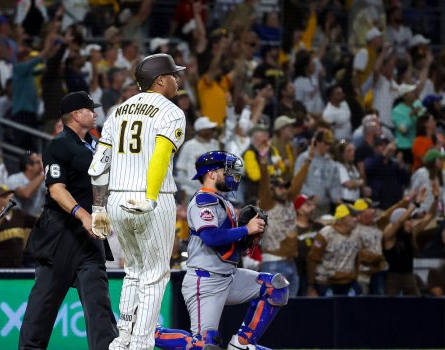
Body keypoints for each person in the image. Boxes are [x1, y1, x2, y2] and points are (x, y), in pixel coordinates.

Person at [88, 54, 186, 350]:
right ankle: (142, 342)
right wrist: (151, 198)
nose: (177, 80)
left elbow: (97, 166)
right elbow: (160, 155)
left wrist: (98, 208)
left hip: (115, 198)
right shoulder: (171, 111)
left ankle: (123, 338)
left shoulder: (117, 111)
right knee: (155, 275)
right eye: (173, 75)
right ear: (160, 80)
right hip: (151, 199)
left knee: (133, 270)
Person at [19, 91, 117, 350]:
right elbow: (56, 189)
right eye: (90, 109)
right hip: (60, 235)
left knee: (100, 309)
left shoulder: (94, 145)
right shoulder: (59, 144)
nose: (95, 113)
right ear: (76, 115)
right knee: (42, 310)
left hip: (90, 239)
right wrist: (84, 215)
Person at [154, 151, 282, 350]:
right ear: (212, 174)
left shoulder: (224, 202)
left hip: (228, 276)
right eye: (227, 170)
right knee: (203, 345)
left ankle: (241, 344)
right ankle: (147, 333)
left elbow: (227, 248)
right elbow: (211, 237)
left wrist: (246, 239)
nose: (232, 175)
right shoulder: (202, 201)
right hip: (205, 281)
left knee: (276, 286)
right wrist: (246, 229)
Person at [257, 140, 313, 297]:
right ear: (272, 189)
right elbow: (263, 184)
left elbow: (298, 183)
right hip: (273, 262)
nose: (284, 190)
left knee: (291, 308)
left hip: (290, 262)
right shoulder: (267, 203)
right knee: (272, 307)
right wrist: (263, 161)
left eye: (285, 187)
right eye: (280, 187)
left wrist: (308, 161)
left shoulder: (289, 201)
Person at [306, 204, 363, 296]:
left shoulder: (356, 235)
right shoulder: (326, 234)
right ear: (342, 218)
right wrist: (311, 285)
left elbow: (356, 259)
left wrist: (354, 277)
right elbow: (313, 259)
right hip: (326, 282)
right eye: (353, 216)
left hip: (348, 282)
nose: (356, 219)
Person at [0, 185, 36, 268]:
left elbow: (40, 223)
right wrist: (3, 213)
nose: (8, 198)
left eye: (9, 195)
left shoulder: (19, 214)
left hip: (17, 267)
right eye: (4, 196)